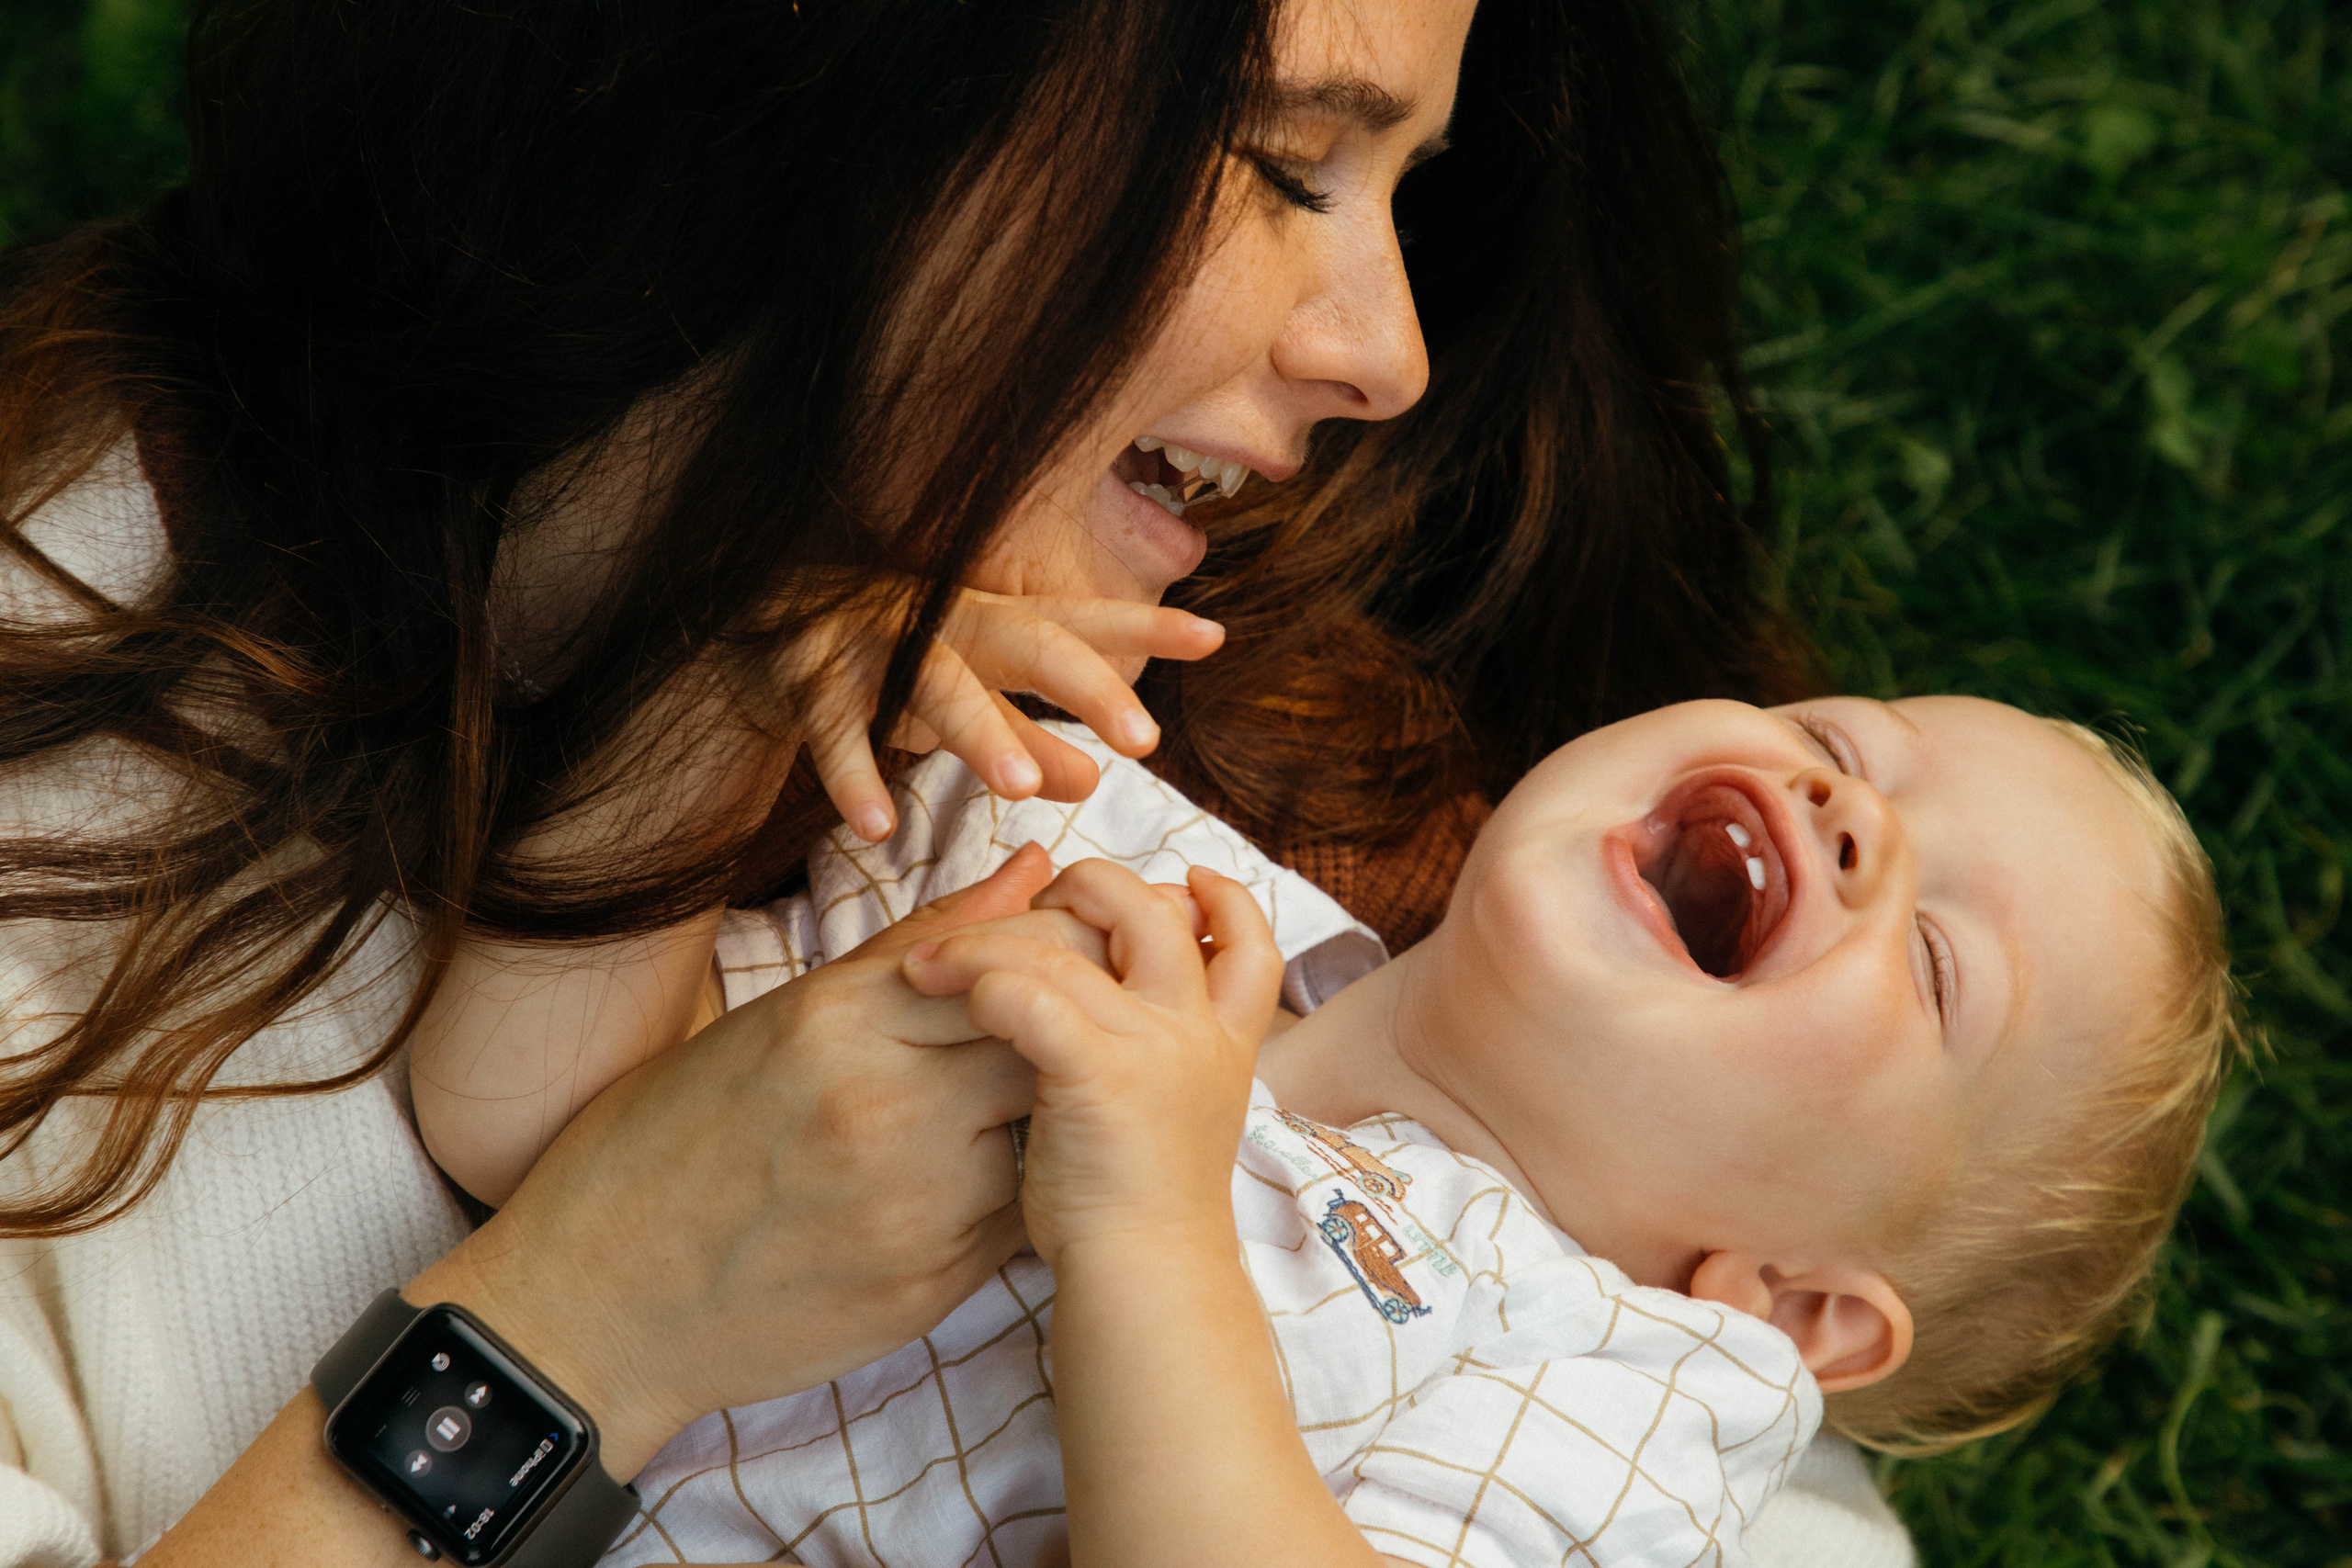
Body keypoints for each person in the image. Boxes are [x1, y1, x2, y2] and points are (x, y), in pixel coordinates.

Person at [0, 2, 1894, 1565]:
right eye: (1276, 161)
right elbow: (563, 1137)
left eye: (1402, 186)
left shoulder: (1127, 737)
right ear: (805, 91)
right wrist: (590, 1311)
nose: (1384, 354)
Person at [412, 694, 2235, 1566]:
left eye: (1927, 958)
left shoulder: (1628, 1384)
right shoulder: (1122, 849)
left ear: (1792, 1306)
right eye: (1844, 733)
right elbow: (532, 1131)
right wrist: (778, 651)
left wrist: (1148, 1215)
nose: (1852, 810)